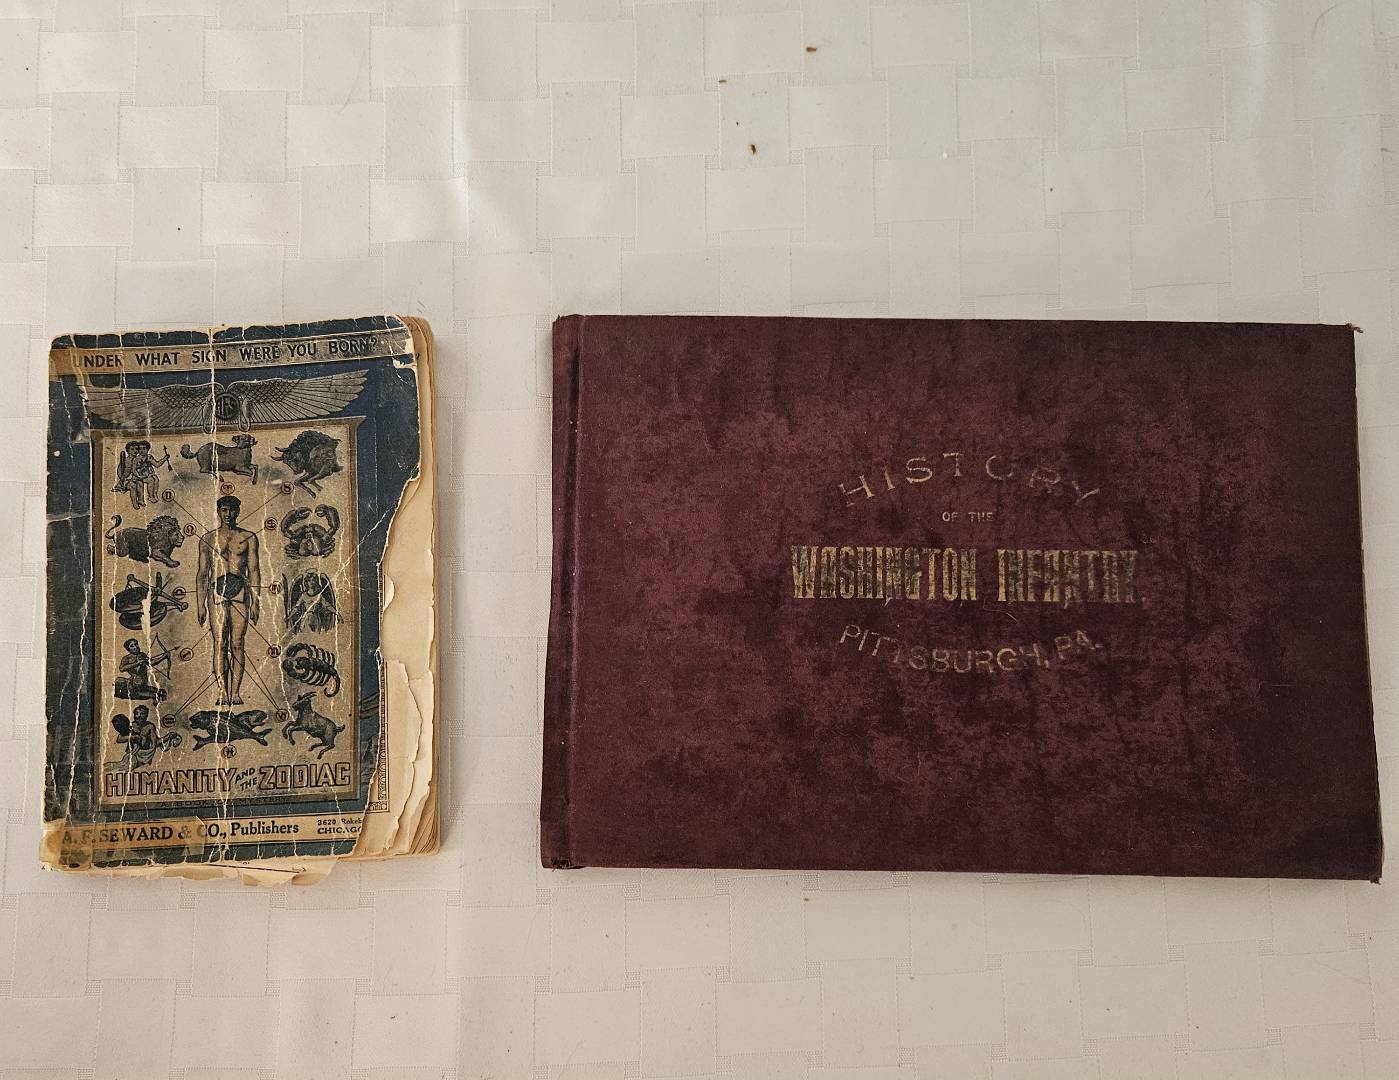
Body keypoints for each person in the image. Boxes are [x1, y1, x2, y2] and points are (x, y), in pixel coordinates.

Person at [196, 494, 261, 706]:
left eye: (232, 510)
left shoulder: (249, 537)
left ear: (238, 511)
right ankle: (223, 692)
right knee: (220, 644)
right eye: (224, 510)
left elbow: (254, 571)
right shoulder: (207, 539)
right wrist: (200, 605)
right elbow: (202, 574)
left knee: (237, 644)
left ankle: (236, 693)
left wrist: (256, 601)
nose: (228, 514)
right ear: (218, 511)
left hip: (240, 593)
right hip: (216, 593)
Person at [113, 440, 168, 509]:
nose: (135, 451)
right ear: (128, 451)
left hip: (137, 477)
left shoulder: (142, 458)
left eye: (136, 449)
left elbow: (156, 464)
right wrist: (123, 479)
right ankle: (135, 503)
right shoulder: (128, 460)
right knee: (135, 485)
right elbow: (121, 471)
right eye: (132, 449)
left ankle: (150, 497)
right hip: (127, 479)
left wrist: (164, 459)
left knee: (151, 480)